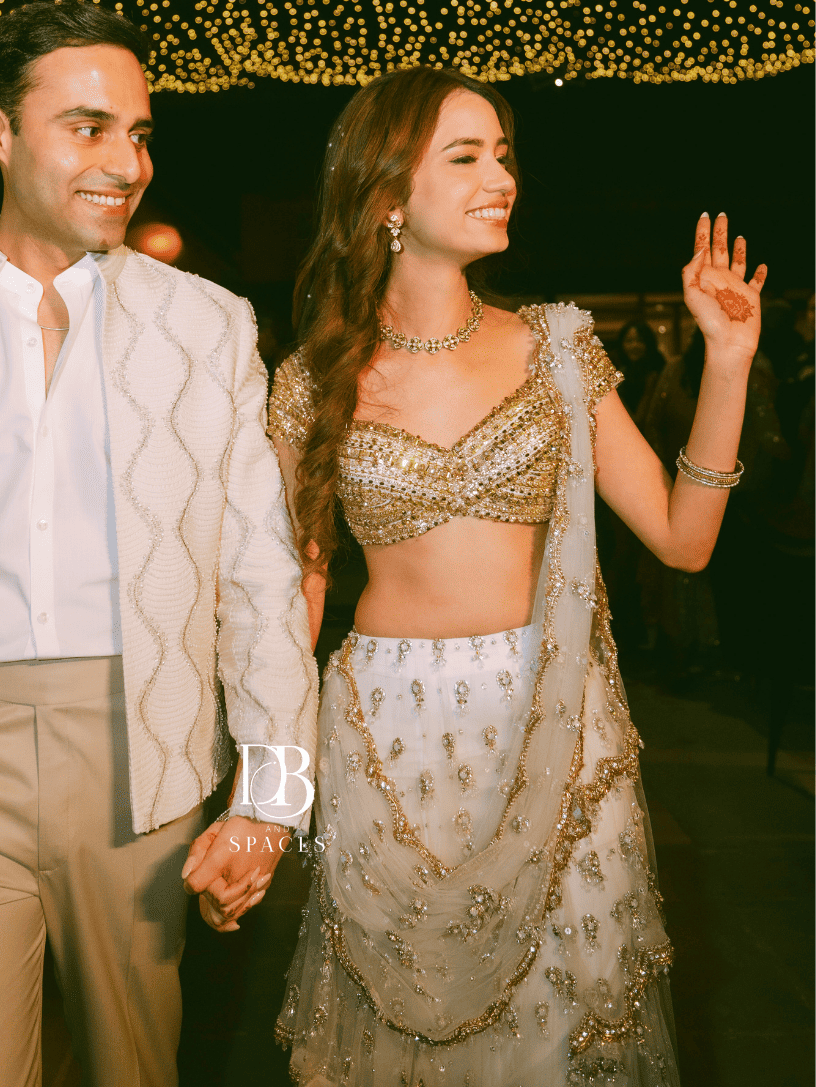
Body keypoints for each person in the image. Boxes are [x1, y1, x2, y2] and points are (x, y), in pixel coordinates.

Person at [0, 0, 318, 1087]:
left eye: (140, 133)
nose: (126, 162)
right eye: (88, 128)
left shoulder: (209, 326)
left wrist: (274, 800)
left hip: (144, 768)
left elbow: (261, 583)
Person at [266, 66, 765, 1084]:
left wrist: (727, 360)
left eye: (503, 154)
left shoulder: (559, 349)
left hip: (553, 727)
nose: (502, 177)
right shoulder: (311, 382)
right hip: (385, 738)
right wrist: (266, 801)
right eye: (466, 157)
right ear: (385, 195)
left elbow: (685, 541)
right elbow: (291, 605)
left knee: (559, 1035)